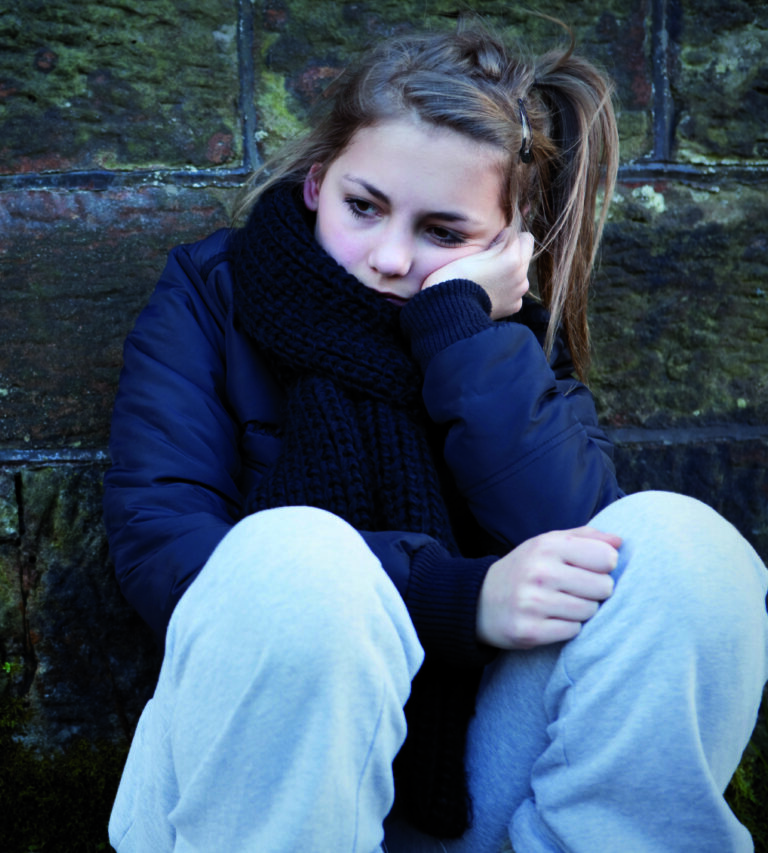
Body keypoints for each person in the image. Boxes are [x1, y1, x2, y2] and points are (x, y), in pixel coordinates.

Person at [102, 21, 768, 853]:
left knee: (684, 553)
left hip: (478, 785)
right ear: (317, 181)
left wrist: (458, 329)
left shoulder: (506, 337)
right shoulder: (213, 296)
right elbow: (167, 555)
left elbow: (580, 539)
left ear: (511, 241)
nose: (387, 256)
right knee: (298, 555)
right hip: (264, 791)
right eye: (364, 207)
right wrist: (458, 601)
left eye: (443, 234)